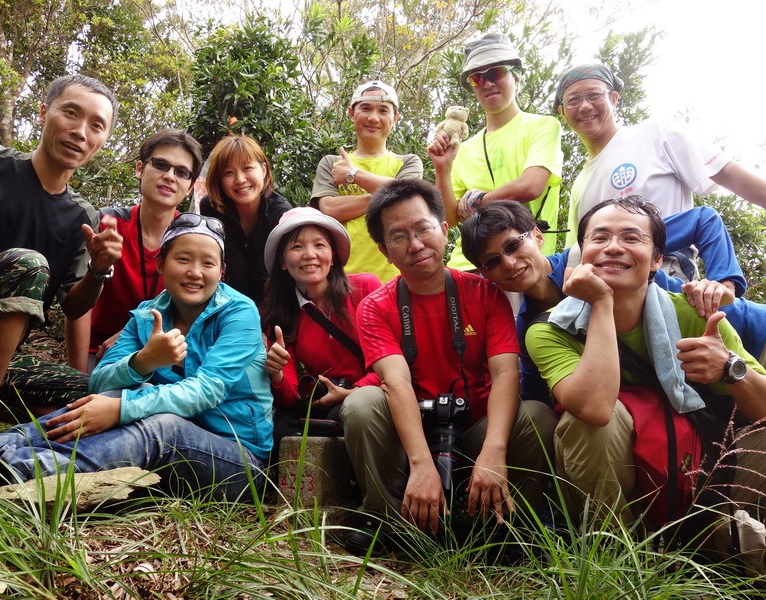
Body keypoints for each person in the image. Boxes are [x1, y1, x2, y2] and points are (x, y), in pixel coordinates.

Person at [0, 214, 273, 500]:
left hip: (240, 460)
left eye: (208, 263)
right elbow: (100, 381)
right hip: (178, 432)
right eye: (183, 259)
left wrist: (121, 409)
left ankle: (16, 471)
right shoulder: (147, 313)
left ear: (221, 272)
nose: (195, 272)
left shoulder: (239, 312)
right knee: (122, 393)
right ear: (161, 265)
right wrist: (143, 362)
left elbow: (208, 390)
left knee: (160, 425)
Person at [338, 178, 557, 554]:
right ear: (384, 251)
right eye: (399, 236)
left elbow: (506, 372)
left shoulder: (486, 293)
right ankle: (389, 521)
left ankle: (505, 526)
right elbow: (395, 382)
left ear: (443, 230)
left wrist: (494, 451)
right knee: (361, 405)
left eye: (423, 228)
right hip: (410, 439)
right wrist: (422, 462)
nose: (416, 244)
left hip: (474, 431)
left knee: (536, 415)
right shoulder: (375, 306)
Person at [524, 197, 766, 532]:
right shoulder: (550, 330)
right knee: (589, 424)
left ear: (656, 261)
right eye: (599, 238)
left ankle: (705, 531)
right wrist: (601, 302)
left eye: (631, 238)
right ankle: (612, 552)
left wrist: (730, 366)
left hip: (705, 475)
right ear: (582, 254)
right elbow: (594, 408)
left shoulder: (692, 315)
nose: (613, 247)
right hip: (619, 489)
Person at [460, 200, 766, 404]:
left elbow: (703, 218)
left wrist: (726, 285)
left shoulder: (599, 253)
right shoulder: (533, 325)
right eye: (493, 262)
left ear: (537, 237)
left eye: (514, 245)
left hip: (749, 332)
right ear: (486, 275)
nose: (510, 263)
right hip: (716, 380)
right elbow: (536, 395)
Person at [0, 74, 123, 448]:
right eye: (71, 113)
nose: (81, 132)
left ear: (102, 140)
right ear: (43, 113)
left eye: (96, 125)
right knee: (30, 264)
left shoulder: (83, 216)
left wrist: (99, 270)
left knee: (94, 396)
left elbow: (72, 305)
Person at [553, 63, 766, 247]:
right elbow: (578, 251)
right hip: (608, 287)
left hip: (669, 273)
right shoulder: (580, 184)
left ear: (614, 99)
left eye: (594, 95)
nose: (585, 106)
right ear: (563, 112)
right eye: (573, 100)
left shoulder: (655, 134)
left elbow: (729, 175)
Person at [65, 129, 204, 372]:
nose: (170, 176)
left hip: (166, 357)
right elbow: (77, 308)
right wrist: (76, 381)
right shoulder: (106, 224)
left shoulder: (196, 240)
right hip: (99, 352)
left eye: (181, 172)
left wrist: (135, 334)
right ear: (140, 169)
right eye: (161, 165)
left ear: (190, 186)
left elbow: (202, 310)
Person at [427, 32, 563, 269]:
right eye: (477, 78)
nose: (487, 83)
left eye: (496, 72)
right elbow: (449, 218)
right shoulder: (463, 149)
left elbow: (531, 185)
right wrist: (442, 168)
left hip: (523, 260)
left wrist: (476, 202)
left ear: (516, 76)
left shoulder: (543, 126)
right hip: (471, 266)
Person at [260, 207, 381, 433]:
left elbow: (392, 360)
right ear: (283, 262)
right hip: (324, 401)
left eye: (319, 245)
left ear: (333, 256)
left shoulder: (365, 288)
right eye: (297, 246)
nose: (309, 254)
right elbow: (290, 397)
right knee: (280, 431)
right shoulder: (280, 315)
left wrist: (354, 391)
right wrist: (276, 373)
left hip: (372, 394)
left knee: (350, 411)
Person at [311, 80, 423, 282]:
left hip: (396, 277)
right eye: (366, 108)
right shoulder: (332, 163)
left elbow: (407, 197)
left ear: (395, 118)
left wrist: (353, 175)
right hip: (341, 277)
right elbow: (328, 209)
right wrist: (389, 196)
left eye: (383, 110)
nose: (373, 117)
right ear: (351, 113)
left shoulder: (408, 162)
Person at [198, 135, 292, 306]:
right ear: (219, 180)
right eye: (229, 173)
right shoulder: (211, 208)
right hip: (228, 301)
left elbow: (265, 273)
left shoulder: (281, 213)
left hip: (275, 303)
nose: (240, 179)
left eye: (247, 168)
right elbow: (234, 266)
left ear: (263, 170)